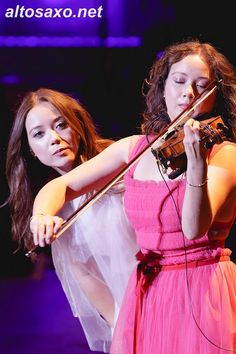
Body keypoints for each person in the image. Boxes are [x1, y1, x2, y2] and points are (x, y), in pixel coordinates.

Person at [30, 39, 236, 354]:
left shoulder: (224, 155)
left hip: (201, 290)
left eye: (201, 85)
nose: (188, 93)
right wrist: (42, 214)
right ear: (163, 87)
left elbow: (193, 228)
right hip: (147, 291)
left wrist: (196, 165)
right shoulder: (134, 149)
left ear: (214, 96)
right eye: (179, 81)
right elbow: (62, 187)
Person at [5, 88, 138, 352]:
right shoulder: (60, 215)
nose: (54, 139)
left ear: (77, 127)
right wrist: (125, 329)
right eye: (39, 134)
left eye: (61, 125)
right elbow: (97, 290)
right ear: (31, 149)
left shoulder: (120, 163)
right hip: (131, 313)